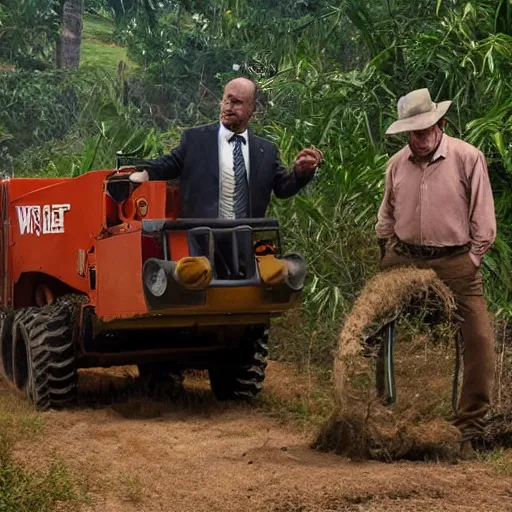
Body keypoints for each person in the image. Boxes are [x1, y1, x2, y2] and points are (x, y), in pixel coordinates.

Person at [376, 88, 497, 457]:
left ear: (441, 125)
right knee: (370, 327)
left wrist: (473, 258)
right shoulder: (397, 164)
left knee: (478, 337)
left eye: (426, 130)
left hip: (455, 259)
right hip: (405, 256)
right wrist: (386, 251)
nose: (420, 139)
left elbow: (483, 218)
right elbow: (387, 215)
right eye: (413, 133)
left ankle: (469, 427)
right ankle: (377, 413)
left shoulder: (467, 158)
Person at [129, 77, 323, 218]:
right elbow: (167, 164)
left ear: (252, 109)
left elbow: (283, 189)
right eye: (226, 100)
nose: (228, 107)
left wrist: (301, 173)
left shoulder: (266, 151)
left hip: (247, 244)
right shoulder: (196, 140)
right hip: (200, 241)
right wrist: (145, 172)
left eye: (237, 102)